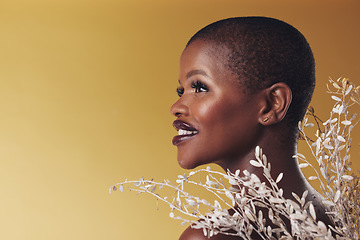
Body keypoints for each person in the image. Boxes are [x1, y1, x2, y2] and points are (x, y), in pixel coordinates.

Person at [170, 17, 333, 240]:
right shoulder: (339, 217)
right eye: (182, 91)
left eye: (199, 87)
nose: (176, 107)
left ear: (271, 105)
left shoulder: (214, 236)